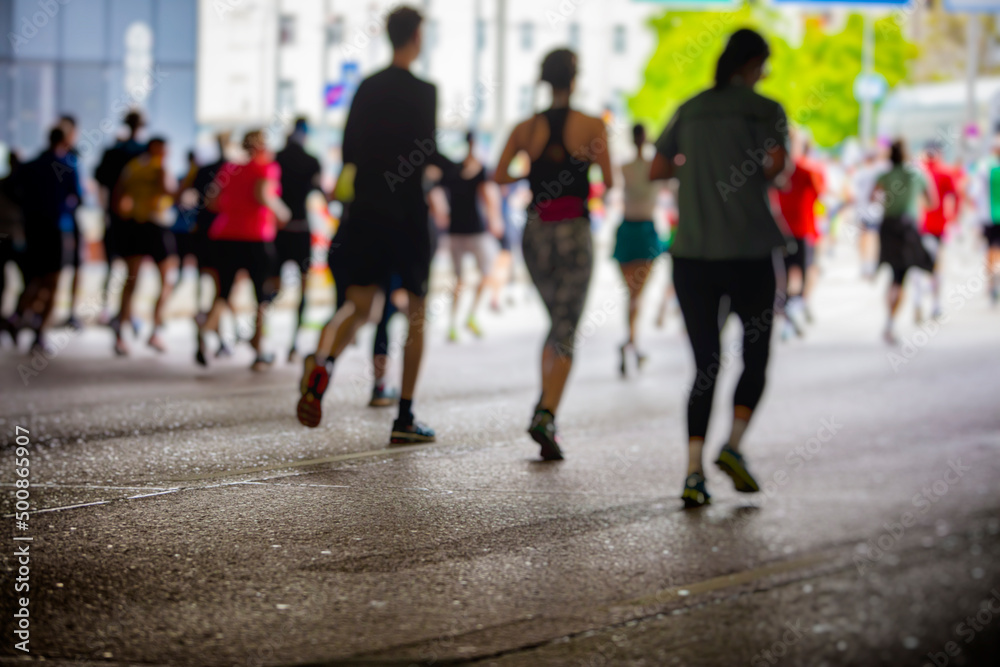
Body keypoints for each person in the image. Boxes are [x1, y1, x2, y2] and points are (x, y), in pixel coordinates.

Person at [649, 29, 789, 508]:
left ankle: (692, 472)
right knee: (757, 358)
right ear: (753, 65)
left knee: (704, 365)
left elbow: (656, 168)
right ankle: (732, 445)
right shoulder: (766, 109)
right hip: (751, 252)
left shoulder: (691, 108)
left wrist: (696, 167)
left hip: (692, 254)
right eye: (763, 66)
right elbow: (777, 167)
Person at [296, 6, 445, 444]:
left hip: (365, 211)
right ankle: (405, 417)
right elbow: (427, 152)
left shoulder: (365, 87)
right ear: (416, 36)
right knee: (415, 312)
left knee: (359, 306)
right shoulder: (425, 91)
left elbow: (348, 151)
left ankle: (322, 364)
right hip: (406, 214)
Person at [494, 48, 613, 461]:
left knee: (555, 324)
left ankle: (546, 407)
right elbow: (609, 180)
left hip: (535, 232)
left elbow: (498, 174)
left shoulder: (525, 128)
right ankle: (546, 413)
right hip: (574, 232)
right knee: (565, 328)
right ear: (574, 80)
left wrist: (532, 171)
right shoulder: (593, 125)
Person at [200, 130, 290, 370]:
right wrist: (282, 213)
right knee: (261, 295)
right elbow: (263, 195)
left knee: (224, 292)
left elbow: (211, 202)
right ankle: (259, 350)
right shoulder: (266, 167)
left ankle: (204, 330)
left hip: (224, 235)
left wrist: (235, 206)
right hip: (255, 236)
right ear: (261, 146)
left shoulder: (229, 169)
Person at [11, 128, 81, 352]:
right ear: (65, 141)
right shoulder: (68, 166)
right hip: (57, 229)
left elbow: (13, 189)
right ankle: (39, 332)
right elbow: (77, 197)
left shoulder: (31, 165)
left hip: (33, 228)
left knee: (34, 279)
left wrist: (28, 208)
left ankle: (18, 316)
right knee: (53, 282)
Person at [111, 137, 179, 356]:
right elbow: (169, 191)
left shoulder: (132, 167)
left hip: (134, 225)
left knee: (131, 281)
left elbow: (118, 197)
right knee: (167, 281)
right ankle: (155, 331)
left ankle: (121, 334)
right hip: (156, 225)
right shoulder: (159, 167)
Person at [871, 139, 937, 345]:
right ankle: (896, 317)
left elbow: (873, 197)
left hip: (888, 227)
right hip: (908, 227)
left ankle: (890, 320)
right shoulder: (917, 174)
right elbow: (932, 201)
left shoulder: (884, 175)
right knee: (905, 274)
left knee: (894, 274)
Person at [613, 123, 666, 375]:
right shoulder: (653, 167)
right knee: (637, 295)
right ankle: (632, 343)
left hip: (629, 229)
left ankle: (631, 342)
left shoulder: (626, 167)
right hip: (643, 231)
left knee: (632, 295)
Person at [442, 130, 502, 342]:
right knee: (464, 279)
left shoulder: (474, 169)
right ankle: (457, 322)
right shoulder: (462, 170)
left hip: (468, 230)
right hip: (465, 231)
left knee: (479, 276)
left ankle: (466, 318)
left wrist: (494, 218)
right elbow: (489, 196)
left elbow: (488, 196)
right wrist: (495, 219)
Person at [276, 117, 323, 361]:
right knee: (304, 291)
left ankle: (260, 340)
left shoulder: (277, 158)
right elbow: (321, 192)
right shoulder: (312, 161)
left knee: (269, 289)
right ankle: (294, 344)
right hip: (301, 229)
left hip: (278, 231)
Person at [95, 111, 147, 316]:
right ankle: (125, 312)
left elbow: (101, 183)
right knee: (133, 269)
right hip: (136, 218)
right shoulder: (142, 153)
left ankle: (108, 308)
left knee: (112, 265)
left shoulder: (114, 151)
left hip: (115, 215)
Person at [775, 134, 825, 339]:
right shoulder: (808, 170)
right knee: (803, 274)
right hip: (803, 231)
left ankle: (788, 312)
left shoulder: (774, 170)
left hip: (780, 231)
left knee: (783, 276)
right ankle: (795, 308)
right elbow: (820, 194)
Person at [917, 141, 960, 320]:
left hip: (920, 226)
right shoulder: (945, 172)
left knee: (918, 266)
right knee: (937, 265)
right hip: (938, 226)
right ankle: (935, 304)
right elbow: (955, 196)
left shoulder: (918, 173)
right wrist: (953, 217)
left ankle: (918, 301)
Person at [56, 114, 86, 330]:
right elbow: (78, 194)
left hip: (49, 221)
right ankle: (70, 312)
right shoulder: (68, 162)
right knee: (67, 268)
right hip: (65, 221)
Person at [850, 148, 888, 280]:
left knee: (864, 238)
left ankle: (866, 265)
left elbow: (853, 193)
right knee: (873, 239)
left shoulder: (862, 173)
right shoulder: (878, 172)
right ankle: (870, 265)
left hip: (864, 211)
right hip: (874, 211)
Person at [974, 137, 1000, 304]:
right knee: (994, 249)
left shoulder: (984, 166)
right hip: (990, 216)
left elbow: (975, 193)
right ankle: (993, 280)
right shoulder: (985, 166)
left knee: (990, 249)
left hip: (988, 216)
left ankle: (991, 282)